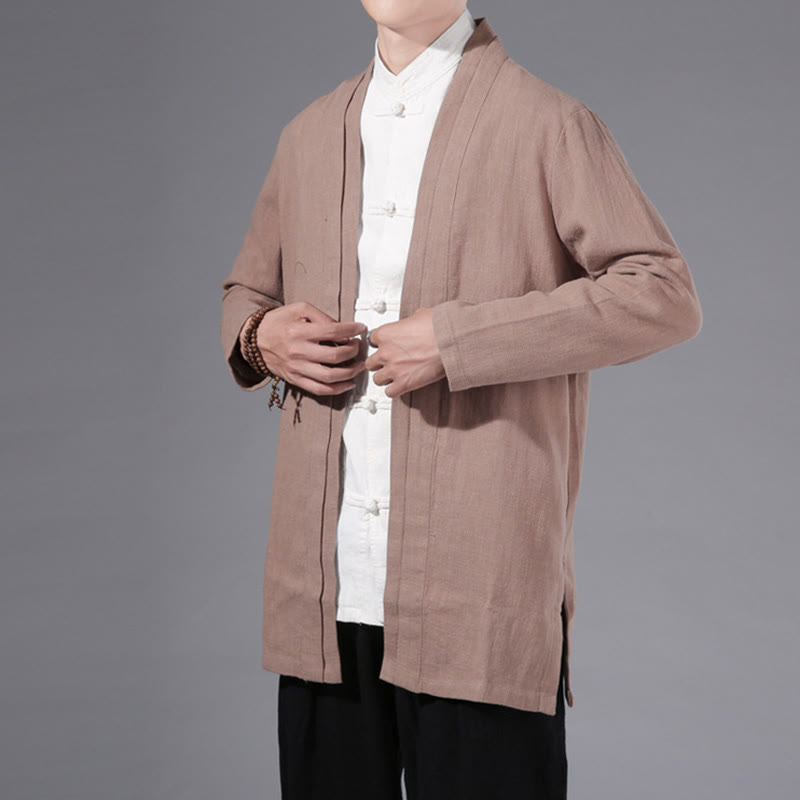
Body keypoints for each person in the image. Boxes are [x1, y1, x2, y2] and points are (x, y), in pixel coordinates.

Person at [219, 2, 703, 798]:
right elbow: (247, 292)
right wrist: (260, 336)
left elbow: (662, 294)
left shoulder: (548, 123)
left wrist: (459, 340)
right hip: (325, 591)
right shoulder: (309, 134)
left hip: (479, 590)